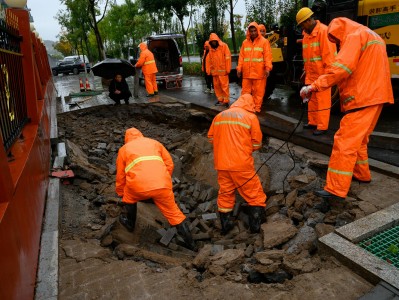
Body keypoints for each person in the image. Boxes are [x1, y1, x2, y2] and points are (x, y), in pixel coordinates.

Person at [300, 17, 394, 199]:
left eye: (336, 39)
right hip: (377, 95)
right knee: (359, 141)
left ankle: (335, 189)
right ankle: (362, 174)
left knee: (344, 141)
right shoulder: (373, 36)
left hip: (362, 97)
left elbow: (340, 69)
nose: (337, 43)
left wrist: (313, 86)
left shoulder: (354, 36)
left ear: (339, 30)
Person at [115, 127, 197, 251]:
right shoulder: (154, 143)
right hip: (162, 185)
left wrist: (121, 193)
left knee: (128, 198)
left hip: (138, 187)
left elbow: (120, 175)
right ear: (141, 135)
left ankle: (130, 224)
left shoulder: (124, 149)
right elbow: (170, 164)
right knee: (174, 214)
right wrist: (164, 179)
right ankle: (192, 245)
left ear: (127, 139)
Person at [208, 94, 267, 234]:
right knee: (254, 194)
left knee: (225, 193)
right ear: (250, 105)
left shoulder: (220, 115)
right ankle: (255, 227)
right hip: (241, 165)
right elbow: (257, 144)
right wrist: (244, 148)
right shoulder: (251, 117)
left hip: (221, 164)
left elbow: (211, 138)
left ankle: (226, 225)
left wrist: (224, 145)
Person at [296, 7, 336, 135]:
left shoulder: (324, 31)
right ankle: (313, 121)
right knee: (312, 100)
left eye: (302, 24)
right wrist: (305, 70)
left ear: (308, 20)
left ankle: (322, 126)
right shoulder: (306, 35)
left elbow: (329, 57)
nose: (302, 27)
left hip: (322, 74)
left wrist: (328, 76)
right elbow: (307, 56)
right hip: (311, 73)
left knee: (323, 101)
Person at [237, 22, 273, 113]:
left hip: (259, 73)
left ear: (257, 31)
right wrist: (239, 69)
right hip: (247, 73)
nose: (253, 33)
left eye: (254, 31)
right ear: (248, 31)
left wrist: (268, 68)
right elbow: (241, 57)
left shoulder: (264, 42)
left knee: (258, 93)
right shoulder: (245, 43)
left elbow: (267, 56)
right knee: (245, 92)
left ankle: (256, 108)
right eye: (251, 31)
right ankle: (245, 108)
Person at [208, 33, 232, 107]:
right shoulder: (211, 49)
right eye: (212, 41)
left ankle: (226, 101)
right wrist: (210, 70)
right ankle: (220, 100)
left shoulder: (224, 46)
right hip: (215, 73)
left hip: (223, 71)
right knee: (217, 87)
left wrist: (228, 69)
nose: (213, 43)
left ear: (217, 40)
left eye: (214, 41)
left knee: (224, 87)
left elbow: (228, 58)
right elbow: (210, 61)